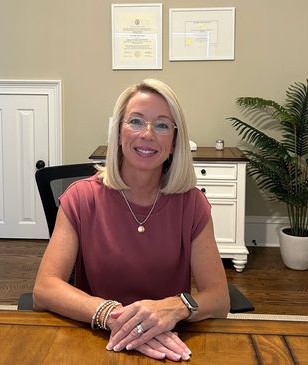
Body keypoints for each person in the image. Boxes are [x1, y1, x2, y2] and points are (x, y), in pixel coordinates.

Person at [33, 78, 230, 361]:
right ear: (118, 133)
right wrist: (113, 316)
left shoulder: (192, 203)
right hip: (96, 338)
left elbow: (219, 298)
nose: (147, 134)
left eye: (162, 125)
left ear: (174, 142)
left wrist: (173, 308)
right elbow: (44, 288)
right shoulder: (80, 198)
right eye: (136, 121)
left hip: (170, 344)